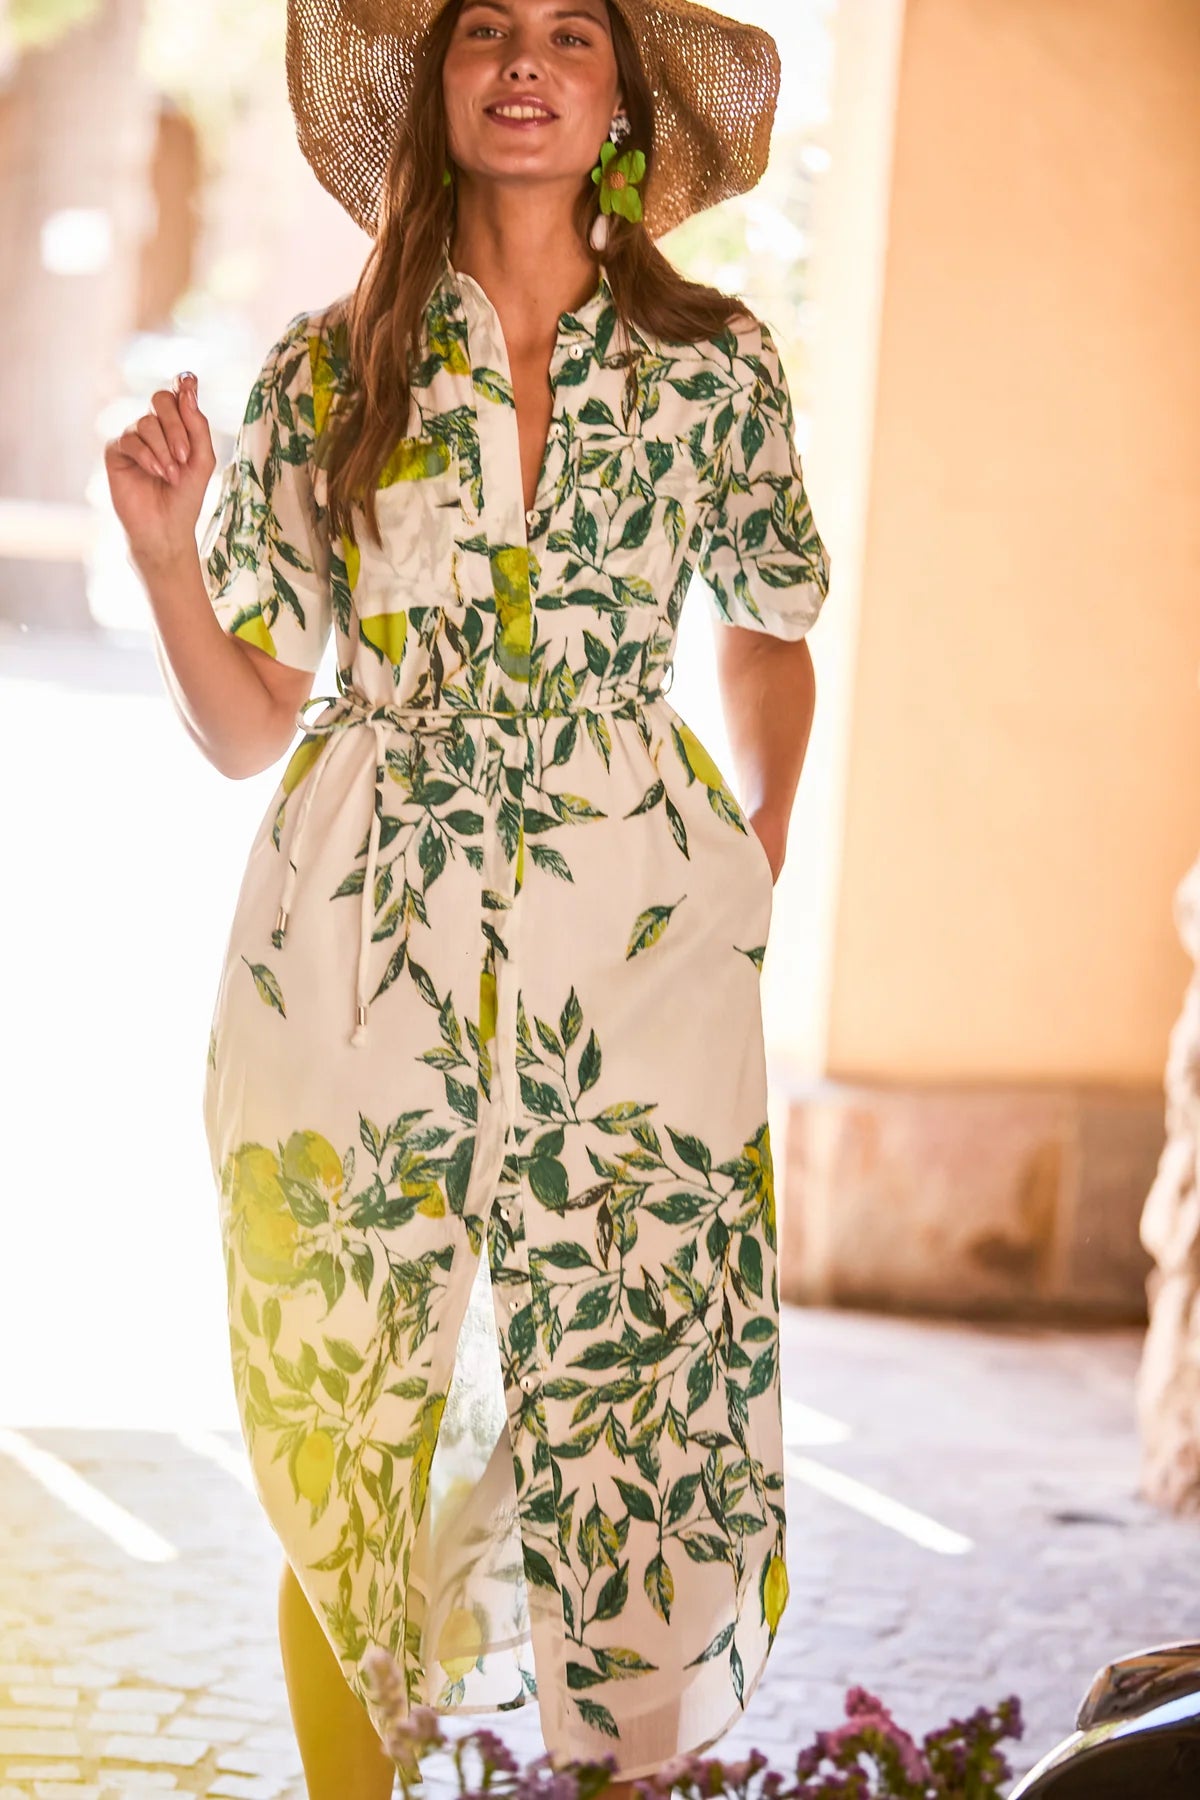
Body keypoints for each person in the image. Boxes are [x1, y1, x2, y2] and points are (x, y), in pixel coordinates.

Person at [105, 0, 831, 1794]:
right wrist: (165, 555)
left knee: (640, 1403)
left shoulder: (714, 366)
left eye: (570, 34)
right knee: (345, 1408)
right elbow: (247, 722)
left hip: (636, 938)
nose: (525, 62)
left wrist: (759, 838)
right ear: (435, 90)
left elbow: (771, 621)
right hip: (362, 938)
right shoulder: (328, 367)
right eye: (486, 30)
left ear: (621, 102)